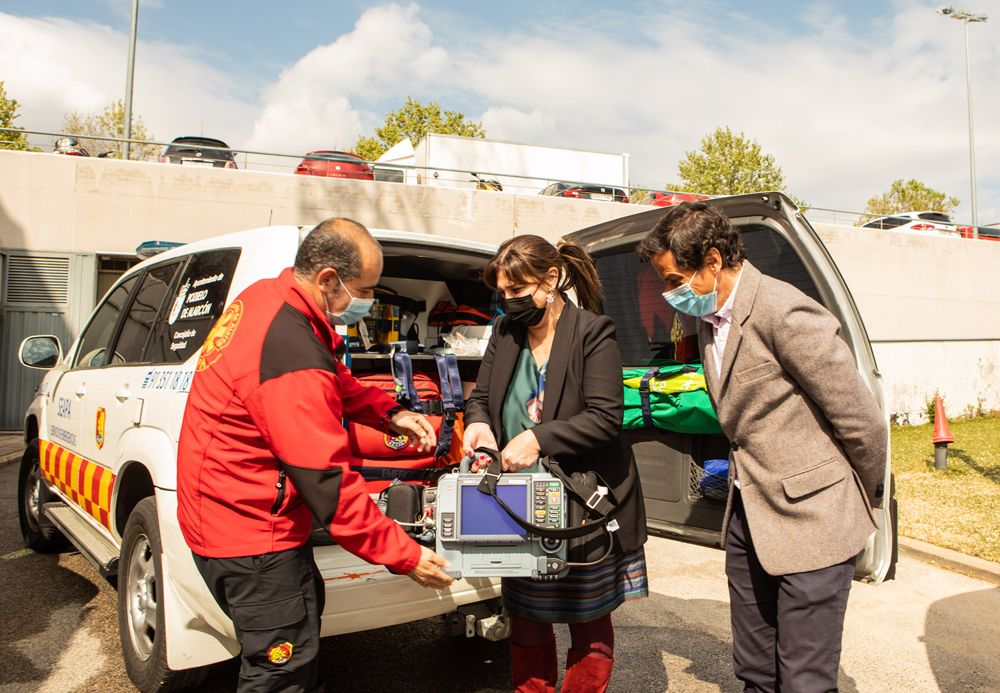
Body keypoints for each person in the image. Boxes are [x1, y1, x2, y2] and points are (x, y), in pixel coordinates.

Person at [177, 218, 454, 693]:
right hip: (252, 537)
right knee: (279, 673)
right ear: (328, 278)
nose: (367, 303)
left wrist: (390, 413)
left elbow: (331, 377)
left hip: (238, 516)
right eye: (364, 290)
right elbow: (327, 481)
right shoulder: (288, 345)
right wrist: (404, 555)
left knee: (297, 644)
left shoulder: (272, 298)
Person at [637, 201, 887, 693]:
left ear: (712, 260)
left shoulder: (783, 309)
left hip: (815, 522)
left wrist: (861, 502)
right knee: (754, 670)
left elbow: (862, 422)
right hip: (749, 517)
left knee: (804, 680)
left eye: (673, 280)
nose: (669, 294)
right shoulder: (709, 321)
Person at [463, 235, 648, 693]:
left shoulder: (593, 331)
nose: (508, 302)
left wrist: (538, 438)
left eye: (517, 291)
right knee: (525, 620)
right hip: (518, 503)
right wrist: (478, 425)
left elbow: (606, 418)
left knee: (587, 620)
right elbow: (482, 397)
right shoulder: (505, 332)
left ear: (550, 279)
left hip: (582, 507)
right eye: (502, 293)